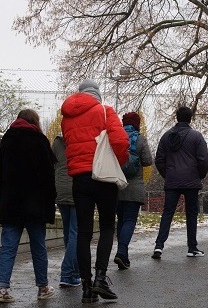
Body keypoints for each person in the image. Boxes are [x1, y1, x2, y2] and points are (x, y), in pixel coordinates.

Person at [61, 79, 129, 303]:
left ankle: (87, 287)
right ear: (97, 95)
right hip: (103, 177)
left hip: (80, 179)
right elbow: (120, 141)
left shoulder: (67, 117)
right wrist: (116, 163)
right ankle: (100, 277)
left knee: (83, 232)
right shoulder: (104, 110)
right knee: (108, 226)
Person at [0, 109, 57, 303]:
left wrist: (2, 196)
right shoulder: (40, 141)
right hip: (36, 205)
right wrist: (49, 201)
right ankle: (43, 287)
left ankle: (2, 289)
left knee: (8, 247)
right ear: (35, 122)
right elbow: (48, 176)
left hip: (12, 204)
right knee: (38, 246)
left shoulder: (7, 141)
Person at [152, 106, 208, 259]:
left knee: (168, 212)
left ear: (176, 117)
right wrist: (199, 176)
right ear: (190, 118)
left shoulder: (166, 137)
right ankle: (192, 247)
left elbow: (159, 160)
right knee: (191, 213)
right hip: (191, 180)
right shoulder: (196, 136)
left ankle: (159, 246)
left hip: (172, 180)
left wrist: (168, 174)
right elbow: (203, 160)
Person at [114, 112, 154, 269]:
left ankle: (123, 255)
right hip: (134, 187)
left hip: (117, 185)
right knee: (130, 220)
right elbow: (148, 160)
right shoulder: (140, 138)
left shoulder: (116, 137)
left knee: (121, 220)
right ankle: (122, 253)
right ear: (137, 123)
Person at [52, 134, 81, 287]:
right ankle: (67, 272)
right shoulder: (79, 138)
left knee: (68, 232)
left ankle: (75, 273)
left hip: (60, 188)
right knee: (75, 232)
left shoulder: (57, 142)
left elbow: (53, 164)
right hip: (76, 186)